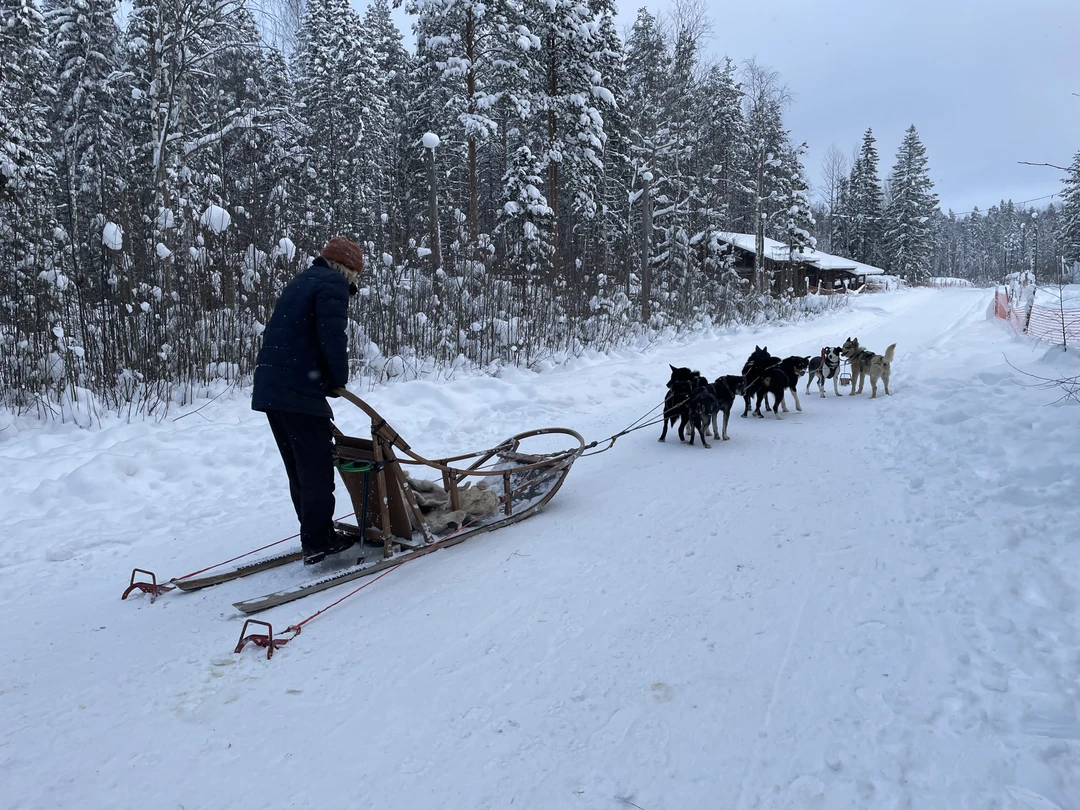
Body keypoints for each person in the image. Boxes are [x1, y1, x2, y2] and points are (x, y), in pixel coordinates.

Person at [252, 236, 364, 565]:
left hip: (272, 388)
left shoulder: (302, 280)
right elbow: (331, 336)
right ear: (348, 270)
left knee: (299, 468)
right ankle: (319, 541)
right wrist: (337, 379)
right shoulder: (333, 284)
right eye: (356, 275)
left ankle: (314, 533)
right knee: (315, 467)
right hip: (297, 388)